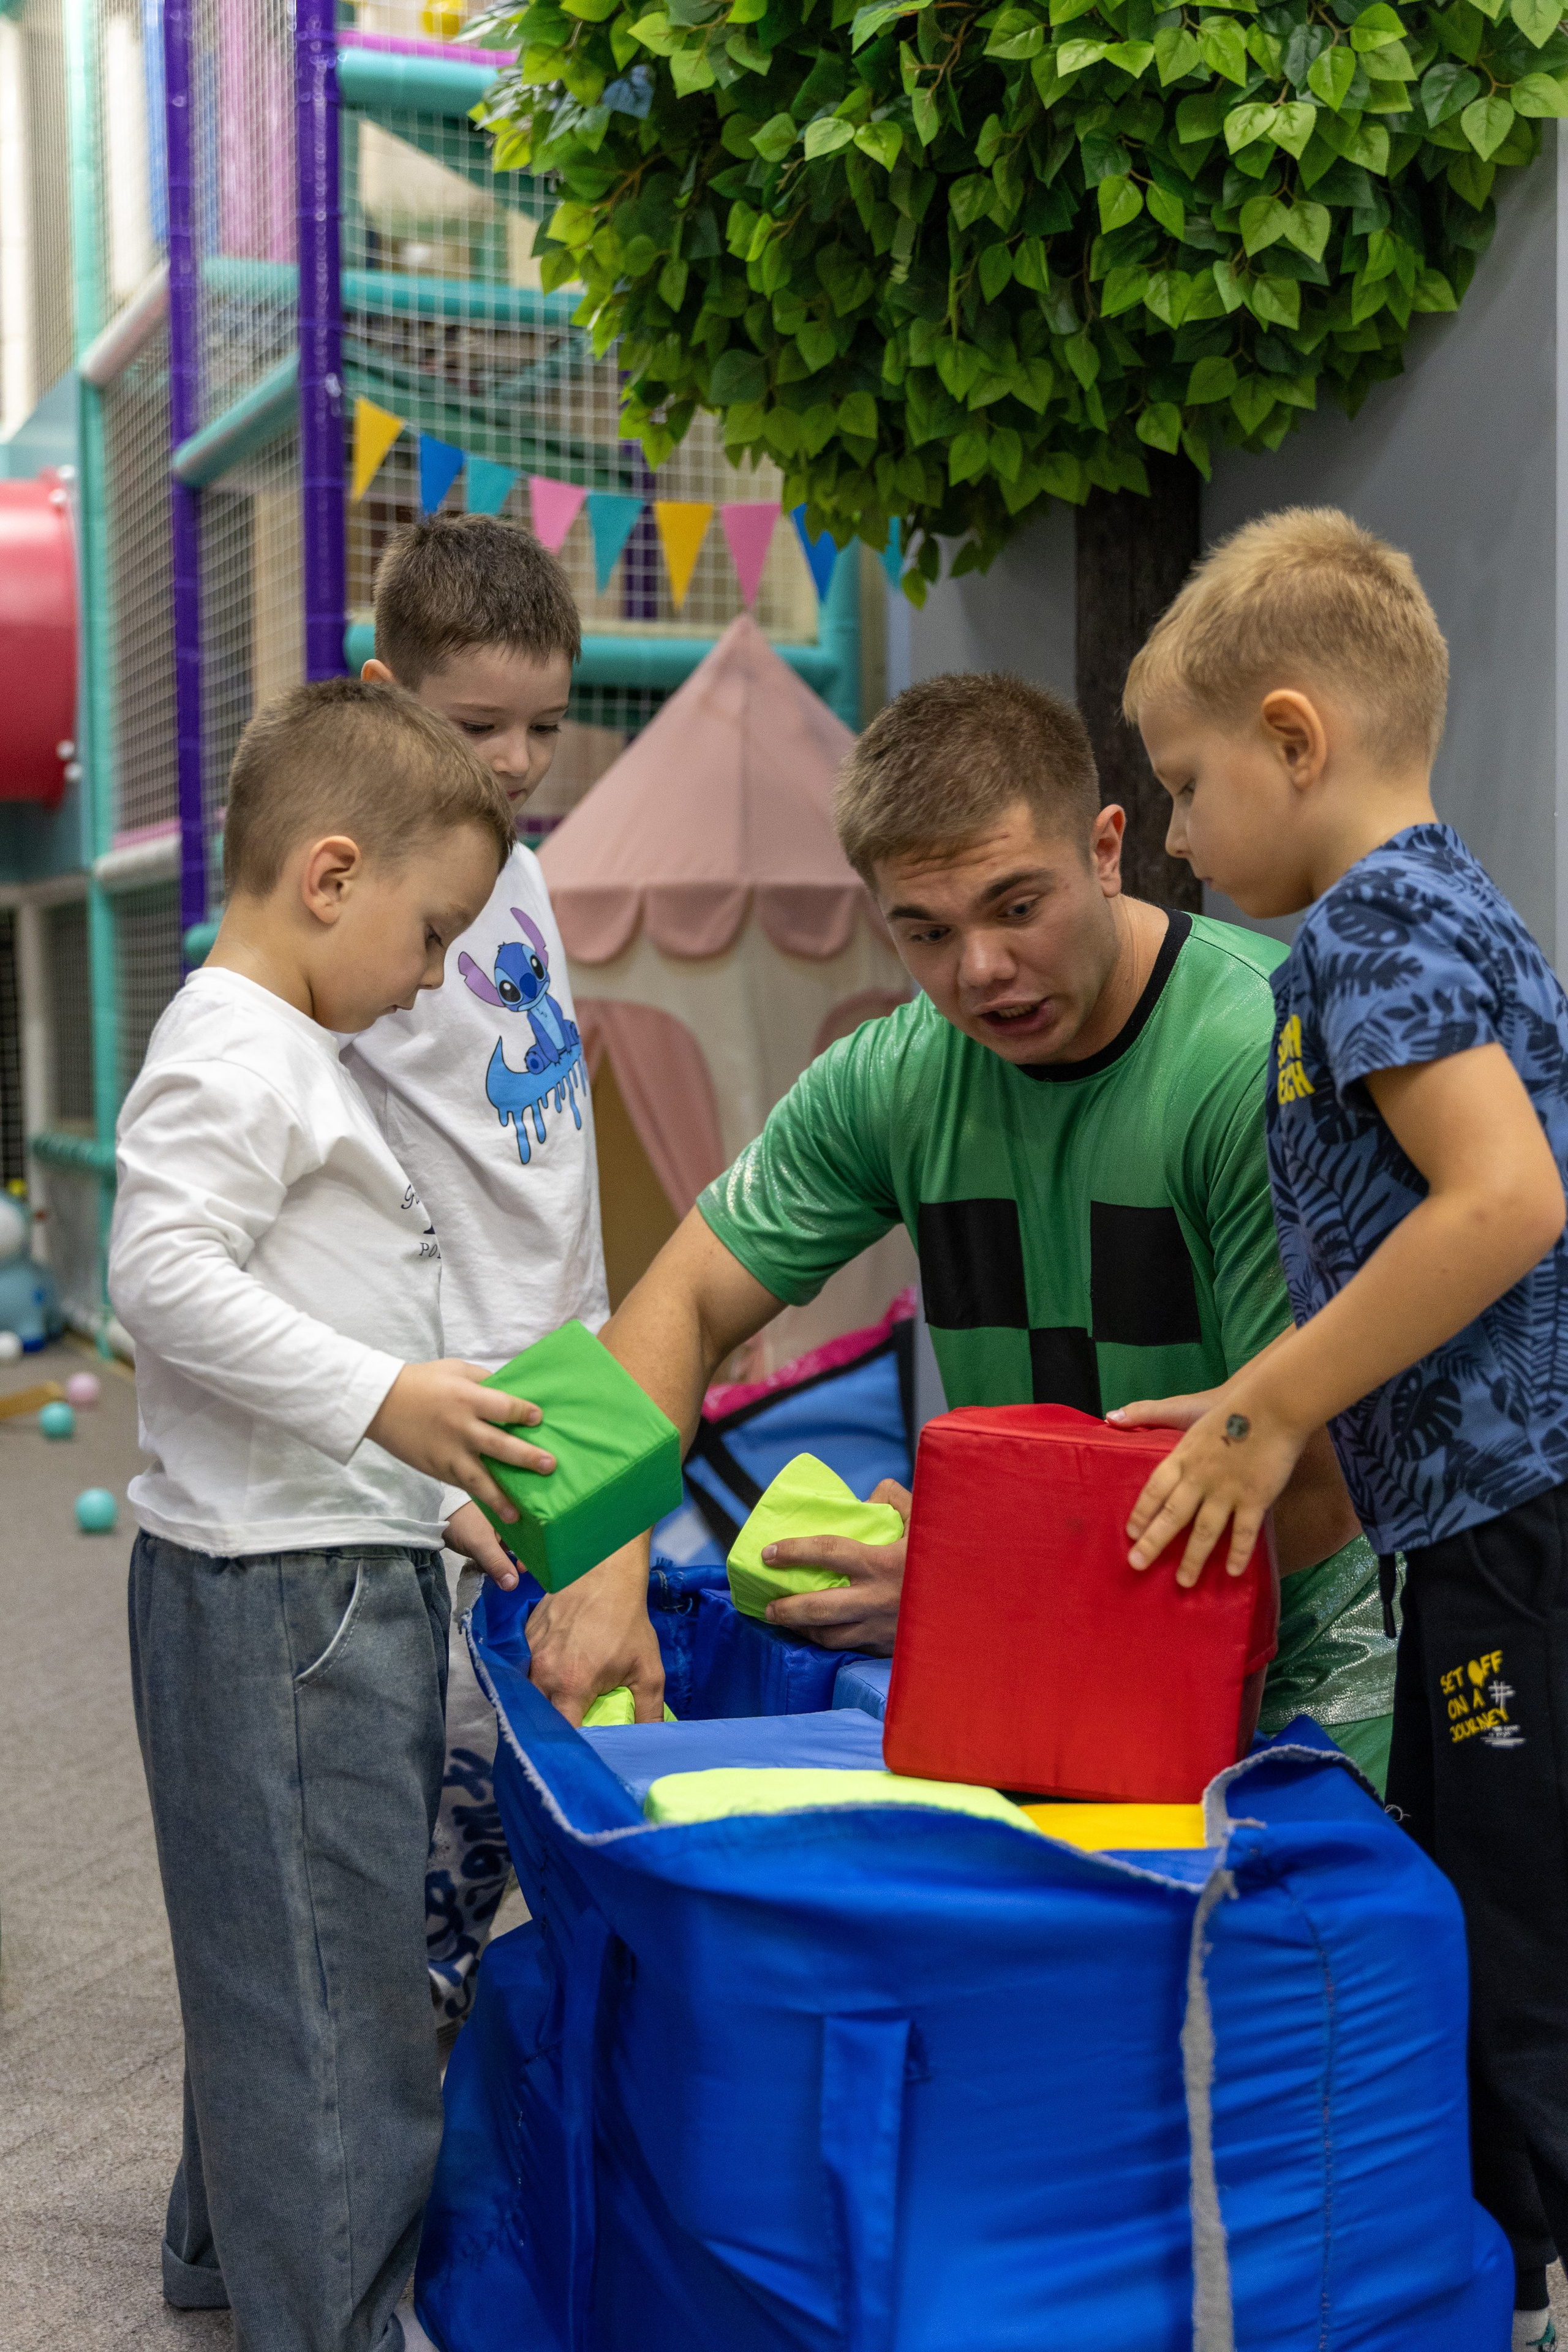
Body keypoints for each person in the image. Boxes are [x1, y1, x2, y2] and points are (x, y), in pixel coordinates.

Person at [540, 670, 1396, 1782]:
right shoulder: (893, 1076)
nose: (980, 970)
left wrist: (980, 1591)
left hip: (1308, 1685)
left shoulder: (1260, 1056)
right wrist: (603, 1568)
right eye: (926, 931)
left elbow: (1308, 1477)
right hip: (1038, 1671)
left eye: (1017, 906)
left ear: (1105, 847)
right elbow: (685, 1297)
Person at [1117, 507, 1568, 2352]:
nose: (1171, 833)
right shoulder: (1429, 909)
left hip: (1510, 1532)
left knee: (1515, 1941)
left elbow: (1507, 1203)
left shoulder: (1380, 924)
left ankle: (1525, 2290)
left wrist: (1269, 1398)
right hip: (1470, 1525)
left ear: (1294, 738)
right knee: (1477, 1901)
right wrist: (1267, 1417)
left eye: (1187, 782)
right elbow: (1418, 1247)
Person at [110, 680, 554, 2352]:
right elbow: (160, 1277)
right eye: (430, 933)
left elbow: (297, 1322)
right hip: (283, 1607)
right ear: (331, 875)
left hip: (314, 1563)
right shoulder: (239, 1047)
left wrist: (418, 1490)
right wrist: (393, 1408)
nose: (432, 973)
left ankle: (230, 2247)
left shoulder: (275, 1045)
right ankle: (339, 2319)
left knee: (272, 1943)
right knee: (333, 1989)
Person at [343, 514, 622, 2028]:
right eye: (476, 728)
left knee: (556, 1735)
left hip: (558, 1375)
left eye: (543, 725)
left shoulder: (517, 875)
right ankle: (364, 2135)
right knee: (440, 1787)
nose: (518, 762)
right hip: (448, 1403)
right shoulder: (368, 897)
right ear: (386, 696)